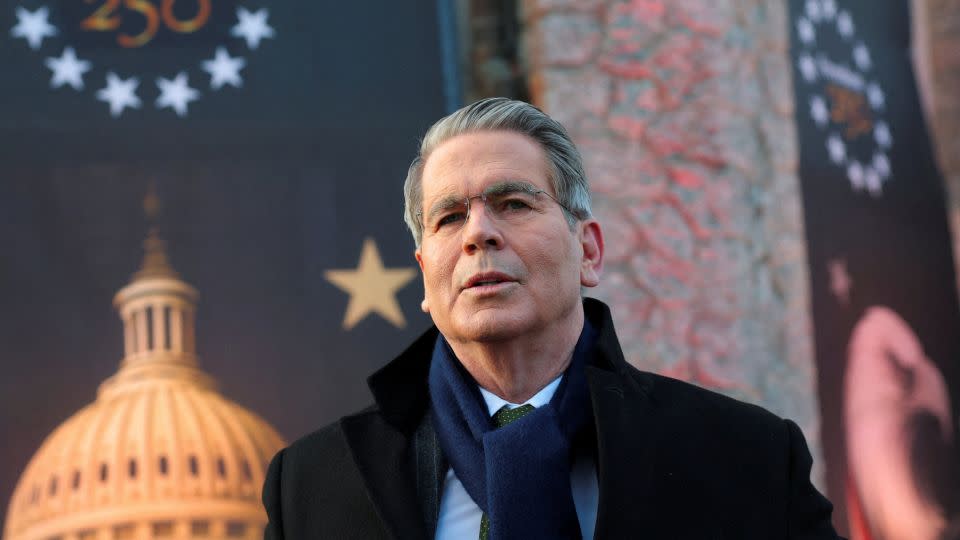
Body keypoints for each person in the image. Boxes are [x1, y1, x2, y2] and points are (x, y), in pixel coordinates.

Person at [261, 98, 842, 539]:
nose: (478, 233)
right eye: (449, 217)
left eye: (513, 203)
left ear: (588, 250)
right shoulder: (311, 486)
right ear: (424, 276)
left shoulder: (749, 457)